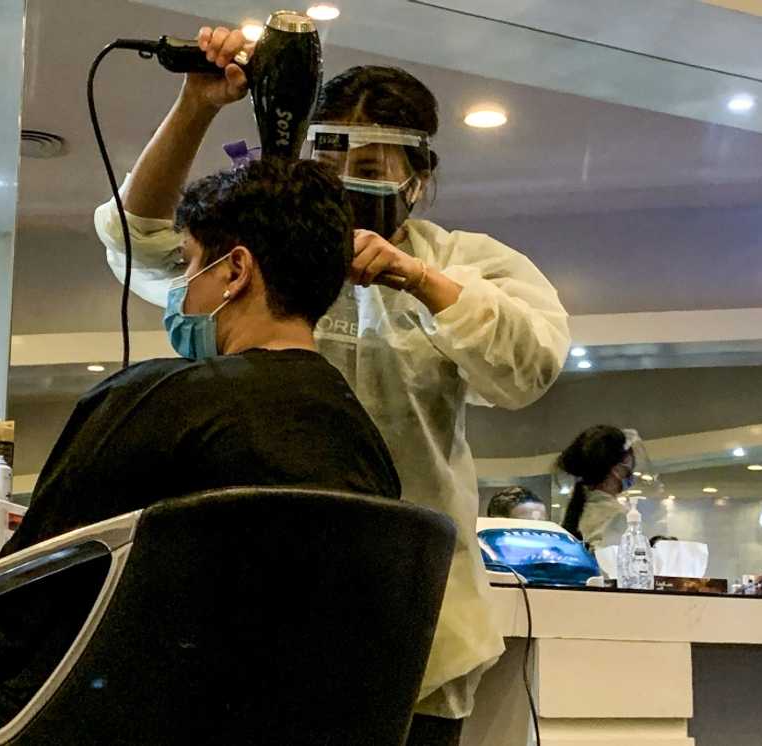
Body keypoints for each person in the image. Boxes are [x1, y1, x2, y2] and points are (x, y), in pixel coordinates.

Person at [93, 27, 570, 744]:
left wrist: (415, 279)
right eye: (335, 156)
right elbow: (141, 240)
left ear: (419, 175)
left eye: (375, 163)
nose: (350, 179)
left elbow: (528, 362)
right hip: (251, 614)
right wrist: (196, 105)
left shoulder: (466, 262)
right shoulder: (264, 252)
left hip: (417, 625)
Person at [0, 158, 401, 737]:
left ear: (235, 269)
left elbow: (24, 604)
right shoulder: (366, 445)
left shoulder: (152, 399)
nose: (181, 289)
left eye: (189, 263)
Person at [558, 425, 636, 549]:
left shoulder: (574, 511)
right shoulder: (619, 516)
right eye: (629, 469)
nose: (631, 474)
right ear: (617, 470)